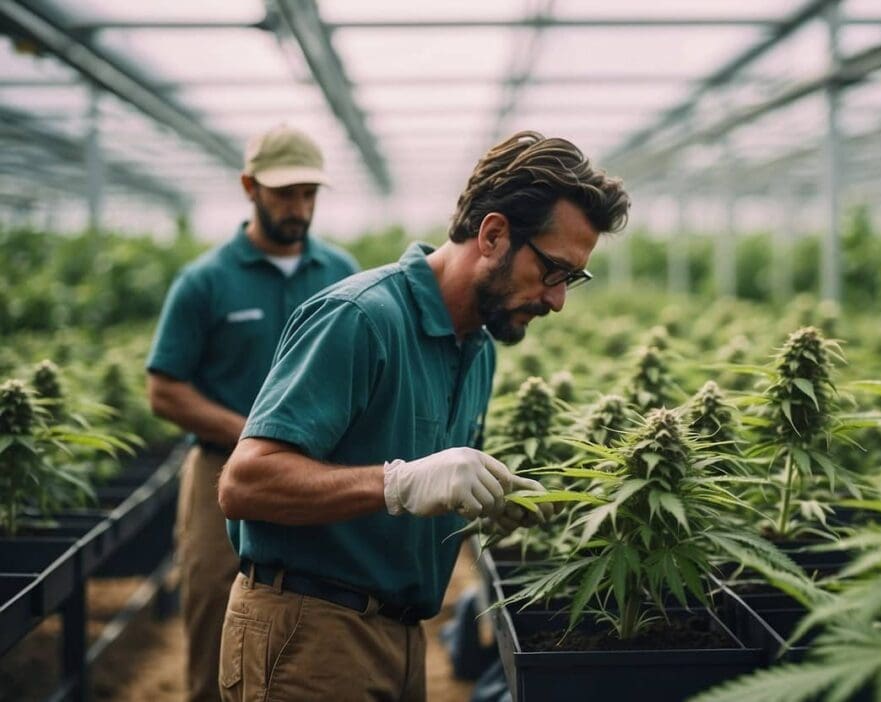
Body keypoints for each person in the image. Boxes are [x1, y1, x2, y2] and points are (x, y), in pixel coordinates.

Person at [216, 130, 630, 702]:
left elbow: (436, 487)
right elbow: (245, 483)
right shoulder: (360, 319)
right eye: (554, 271)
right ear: (493, 234)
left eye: (572, 280)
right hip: (309, 635)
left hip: (403, 635)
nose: (558, 300)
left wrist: (487, 500)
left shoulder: (477, 348)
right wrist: (399, 482)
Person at [145, 124, 360, 702]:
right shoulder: (206, 282)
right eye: (285, 192)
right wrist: (259, 438)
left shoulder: (343, 274)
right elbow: (165, 389)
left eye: (309, 193)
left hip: (315, 480)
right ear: (249, 187)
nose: (299, 206)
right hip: (220, 477)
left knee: (312, 620)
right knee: (215, 614)